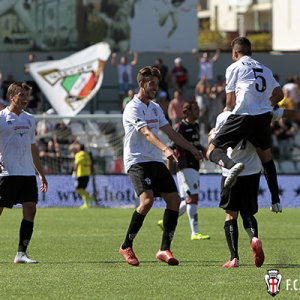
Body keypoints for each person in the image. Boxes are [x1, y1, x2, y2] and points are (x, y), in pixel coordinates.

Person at [120, 66, 203, 266]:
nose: (155, 87)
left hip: (155, 160)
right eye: (151, 83)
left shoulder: (155, 108)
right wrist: (166, 149)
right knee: (147, 201)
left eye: (157, 83)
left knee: (174, 201)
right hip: (137, 160)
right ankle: (126, 246)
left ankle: (164, 248)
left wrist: (191, 148)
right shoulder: (132, 108)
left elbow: (172, 132)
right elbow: (147, 133)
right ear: (141, 84)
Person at [206, 37, 284, 210]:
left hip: (243, 116)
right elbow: (280, 94)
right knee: (267, 160)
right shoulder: (265, 69)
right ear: (251, 52)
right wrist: (266, 105)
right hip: (263, 118)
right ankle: (275, 200)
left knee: (211, 150)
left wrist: (226, 114)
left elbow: (231, 101)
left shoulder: (234, 68)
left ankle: (232, 166)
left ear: (235, 53)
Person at [208, 109, 265, 268]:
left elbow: (215, 148)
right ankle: (254, 238)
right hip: (252, 170)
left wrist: (211, 136)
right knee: (247, 212)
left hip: (231, 170)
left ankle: (234, 258)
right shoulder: (256, 114)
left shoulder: (224, 117)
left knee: (231, 214)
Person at [0, 82, 48, 264]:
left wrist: (41, 173)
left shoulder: (30, 119)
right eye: (21, 95)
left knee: (30, 209)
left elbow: (33, 147)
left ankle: (21, 254)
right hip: (6, 174)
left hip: (27, 174)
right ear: (11, 96)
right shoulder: (1, 118)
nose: (25, 99)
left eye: (27, 96)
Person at [158, 101, 210, 240]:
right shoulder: (179, 127)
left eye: (199, 109)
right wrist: (169, 172)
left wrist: (203, 149)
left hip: (194, 165)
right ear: (187, 112)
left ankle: (166, 221)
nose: (198, 111)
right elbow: (170, 148)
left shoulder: (196, 126)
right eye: (195, 109)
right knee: (193, 197)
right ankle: (195, 232)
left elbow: (195, 143)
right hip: (184, 166)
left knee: (190, 198)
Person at [73, 144, 94, 209]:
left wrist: (74, 171)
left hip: (81, 174)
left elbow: (76, 164)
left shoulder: (78, 155)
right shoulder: (87, 155)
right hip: (87, 174)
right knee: (83, 189)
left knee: (77, 189)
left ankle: (89, 197)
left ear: (79, 148)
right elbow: (90, 165)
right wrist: (90, 172)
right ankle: (86, 204)